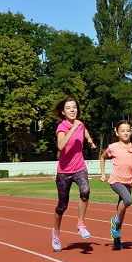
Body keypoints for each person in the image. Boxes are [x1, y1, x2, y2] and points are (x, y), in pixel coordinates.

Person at [51, 97, 97, 252]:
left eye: (74, 107)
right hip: (64, 172)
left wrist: (90, 140)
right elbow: (60, 146)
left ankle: (80, 224)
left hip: (80, 167)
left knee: (85, 191)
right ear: (63, 112)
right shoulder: (62, 127)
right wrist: (73, 128)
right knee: (62, 205)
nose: (72, 110)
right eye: (69, 108)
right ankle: (56, 233)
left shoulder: (80, 124)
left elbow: (84, 131)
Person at [100, 120, 132, 250]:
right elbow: (102, 158)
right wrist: (103, 173)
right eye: (122, 130)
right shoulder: (113, 147)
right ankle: (115, 220)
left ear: (131, 132)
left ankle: (117, 237)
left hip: (129, 181)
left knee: (122, 211)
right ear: (117, 132)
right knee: (128, 200)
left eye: (128, 130)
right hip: (116, 180)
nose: (126, 133)